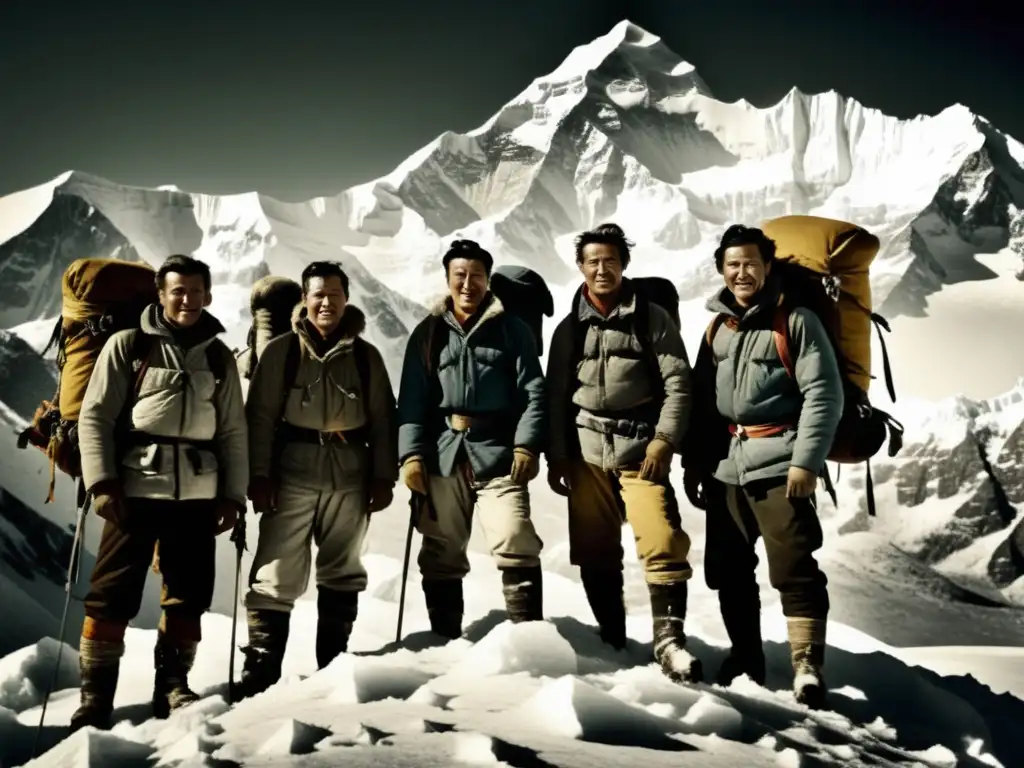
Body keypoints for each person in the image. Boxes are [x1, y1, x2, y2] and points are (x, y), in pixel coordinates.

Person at [70, 254, 248, 730]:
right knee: (111, 594)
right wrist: (102, 482)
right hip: (133, 488)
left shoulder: (218, 356)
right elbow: (96, 417)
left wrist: (233, 494)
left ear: (208, 295)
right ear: (161, 294)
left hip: (198, 493)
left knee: (188, 595)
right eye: (178, 291)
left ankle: (172, 686)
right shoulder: (128, 345)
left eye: (195, 291)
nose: (187, 299)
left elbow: (233, 431)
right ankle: (96, 697)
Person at [682, 224, 843, 708]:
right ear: (721, 270)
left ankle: (807, 668)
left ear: (767, 266)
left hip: (781, 463)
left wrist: (806, 462)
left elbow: (824, 394)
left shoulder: (795, 322)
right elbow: (704, 404)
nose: (742, 272)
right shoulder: (718, 328)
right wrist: (695, 464)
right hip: (727, 467)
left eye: (751, 262)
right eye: (732, 264)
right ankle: (745, 657)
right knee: (729, 570)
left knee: (794, 568)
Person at [545, 223, 700, 684]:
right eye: (592, 261)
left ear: (623, 265)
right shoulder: (569, 326)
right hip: (586, 452)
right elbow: (556, 395)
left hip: (640, 449)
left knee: (663, 541)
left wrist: (663, 441)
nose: (600, 269)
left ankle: (669, 642)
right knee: (595, 550)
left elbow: (679, 383)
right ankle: (611, 636)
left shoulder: (651, 317)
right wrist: (558, 457)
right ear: (580, 267)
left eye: (609, 260)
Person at [236, 261, 397, 699]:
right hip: (291, 472)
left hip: (350, 474)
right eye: (317, 294)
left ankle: (332, 666)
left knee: (342, 572)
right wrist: (259, 475)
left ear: (347, 298)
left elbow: (384, 419)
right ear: (304, 300)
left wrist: (385, 476)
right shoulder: (281, 352)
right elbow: (260, 418)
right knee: (274, 573)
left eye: (334, 294)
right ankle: (263, 672)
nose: (326, 302)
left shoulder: (367, 357)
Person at [396, 239, 546, 639]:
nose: (468, 284)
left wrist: (527, 445)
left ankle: (529, 641)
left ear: (488, 280)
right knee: (441, 552)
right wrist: (410, 455)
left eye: (476, 275)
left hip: (498, 452)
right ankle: (444, 640)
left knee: (514, 536)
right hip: (444, 454)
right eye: (459, 275)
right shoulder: (427, 334)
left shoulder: (513, 331)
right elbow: (412, 399)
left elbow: (533, 391)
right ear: (448, 279)